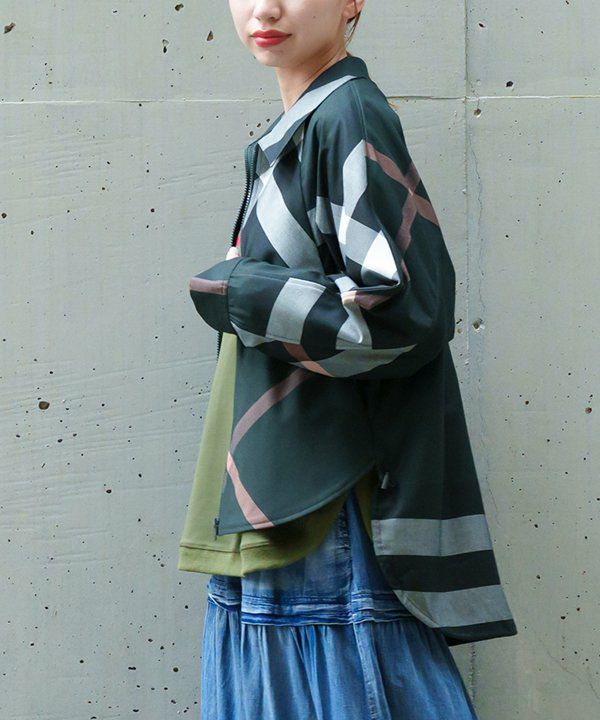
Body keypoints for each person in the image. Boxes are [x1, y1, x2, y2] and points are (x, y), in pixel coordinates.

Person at [179, 1, 515, 717]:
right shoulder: (307, 124)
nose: (265, 8)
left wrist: (241, 289)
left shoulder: (347, 115)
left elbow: (407, 310)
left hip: (323, 502)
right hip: (294, 490)